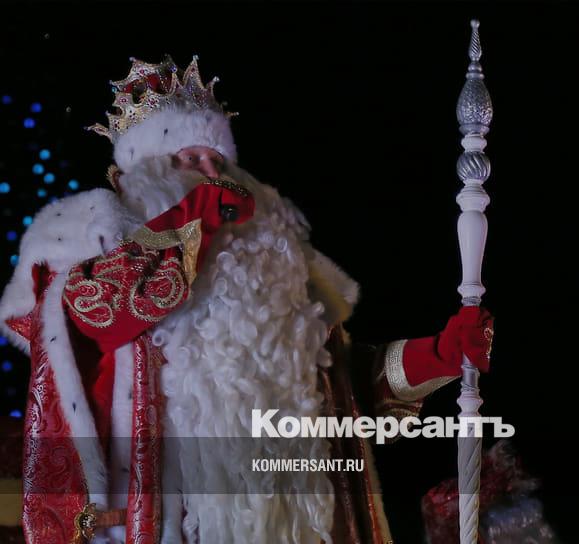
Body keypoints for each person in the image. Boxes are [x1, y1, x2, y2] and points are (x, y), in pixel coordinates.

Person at [0, 56, 493, 544]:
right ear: (142, 175)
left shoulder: (283, 281)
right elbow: (93, 315)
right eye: (190, 160)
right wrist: (191, 220)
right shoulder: (89, 241)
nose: (212, 174)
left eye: (219, 162)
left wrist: (437, 356)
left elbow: (341, 397)